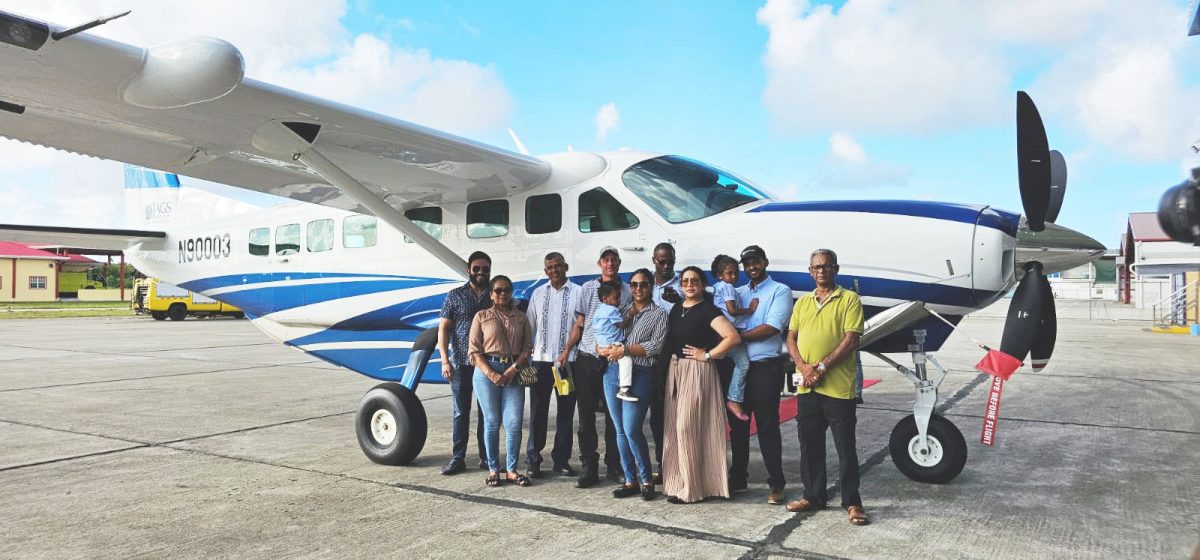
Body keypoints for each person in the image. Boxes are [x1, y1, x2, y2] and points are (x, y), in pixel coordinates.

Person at [784, 249, 869, 526]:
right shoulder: (803, 302)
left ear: (836, 269)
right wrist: (804, 368)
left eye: (827, 266)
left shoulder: (849, 299)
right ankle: (813, 496)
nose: (821, 271)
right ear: (810, 271)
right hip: (807, 387)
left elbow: (850, 339)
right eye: (816, 267)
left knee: (845, 447)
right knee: (809, 444)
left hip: (837, 388)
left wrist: (821, 368)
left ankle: (853, 502)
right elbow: (791, 338)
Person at [661, 266, 742, 504]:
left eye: (694, 280)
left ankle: (694, 487)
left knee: (688, 427)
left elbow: (733, 337)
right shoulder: (677, 310)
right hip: (676, 372)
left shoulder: (708, 310)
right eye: (685, 280)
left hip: (698, 372)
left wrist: (707, 355)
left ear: (701, 284)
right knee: (674, 429)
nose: (689, 284)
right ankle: (679, 482)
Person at [727, 245, 793, 506]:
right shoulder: (738, 293)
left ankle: (776, 483)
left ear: (765, 262)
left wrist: (734, 337)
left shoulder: (780, 291)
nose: (751, 267)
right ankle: (738, 478)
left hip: (765, 367)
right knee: (738, 427)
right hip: (738, 369)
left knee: (767, 427)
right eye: (747, 263)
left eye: (756, 261)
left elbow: (771, 328)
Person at [597, 268, 668, 501]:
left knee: (631, 429)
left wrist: (624, 350)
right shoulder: (620, 310)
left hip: (640, 372)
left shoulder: (658, 314)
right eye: (635, 285)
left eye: (644, 284)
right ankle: (630, 480)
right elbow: (597, 333)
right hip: (611, 371)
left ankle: (646, 479)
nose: (639, 289)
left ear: (651, 286)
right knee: (618, 429)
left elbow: (655, 346)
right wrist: (600, 348)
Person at [565, 247, 628, 487]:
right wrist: (566, 351)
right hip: (588, 356)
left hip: (613, 358)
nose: (610, 263)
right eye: (606, 260)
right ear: (599, 263)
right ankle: (589, 466)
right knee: (586, 415)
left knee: (614, 415)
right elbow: (580, 323)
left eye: (614, 260)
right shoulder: (588, 289)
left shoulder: (626, 290)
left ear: (619, 263)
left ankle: (614, 465)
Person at [469, 275, 534, 488]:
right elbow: (475, 351)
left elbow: (527, 348)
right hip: (487, 370)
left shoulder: (521, 317)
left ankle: (512, 470)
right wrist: (492, 374)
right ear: (491, 293)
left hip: (513, 370)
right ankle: (493, 469)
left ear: (512, 291)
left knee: (514, 423)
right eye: (498, 290)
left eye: (507, 290)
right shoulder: (481, 317)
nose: (503, 294)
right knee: (492, 422)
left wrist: (513, 370)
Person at [524, 252, 580, 479]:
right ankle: (533, 460)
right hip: (540, 363)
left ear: (565, 267)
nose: (555, 270)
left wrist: (567, 352)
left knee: (566, 414)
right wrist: (526, 361)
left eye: (558, 266)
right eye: (550, 267)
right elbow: (529, 327)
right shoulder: (538, 294)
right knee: (537, 413)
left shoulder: (578, 293)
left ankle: (561, 461)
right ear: (545, 271)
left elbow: (581, 325)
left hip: (567, 363)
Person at [437, 251, 490, 476]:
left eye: (485, 269)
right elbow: (443, 329)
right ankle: (458, 458)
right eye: (476, 268)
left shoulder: (494, 295)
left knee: (486, 412)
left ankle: (486, 457)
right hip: (460, 363)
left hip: (487, 364)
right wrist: (444, 361)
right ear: (468, 269)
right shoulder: (454, 295)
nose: (480, 272)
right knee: (461, 412)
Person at [646, 242, 678, 482]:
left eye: (670, 261)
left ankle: (677, 466)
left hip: (674, 359)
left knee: (676, 417)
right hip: (647, 360)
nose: (666, 266)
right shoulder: (643, 286)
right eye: (661, 261)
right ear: (654, 260)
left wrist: (678, 301)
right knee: (656, 418)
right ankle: (662, 464)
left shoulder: (681, 285)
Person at [710, 254, 756, 422]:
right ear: (720, 275)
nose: (734, 277)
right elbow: (732, 310)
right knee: (743, 364)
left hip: (719, 333)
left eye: (736, 273)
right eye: (730, 273)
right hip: (729, 333)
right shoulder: (728, 287)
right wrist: (750, 309)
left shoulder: (718, 287)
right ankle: (734, 399)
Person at [593, 282, 637, 402]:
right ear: (605, 299)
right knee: (626, 361)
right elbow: (621, 325)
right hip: (612, 343)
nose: (619, 300)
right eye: (616, 297)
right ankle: (624, 389)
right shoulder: (611, 310)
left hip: (602, 343)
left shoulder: (599, 309)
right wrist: (631, 314)